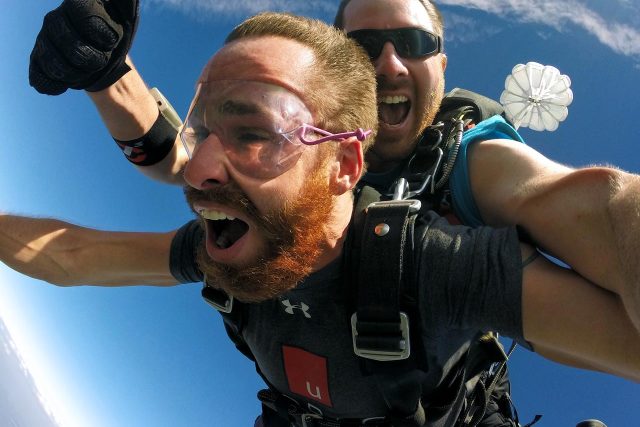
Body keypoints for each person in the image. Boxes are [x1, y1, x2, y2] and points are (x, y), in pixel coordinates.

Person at [15, 9, 640, 427]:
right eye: (365, 46)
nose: (390, 62)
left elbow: (603, 207)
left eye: (416, 44)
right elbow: (182, 161)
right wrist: (107, 72)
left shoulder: (472, 181)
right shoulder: (261, 206)